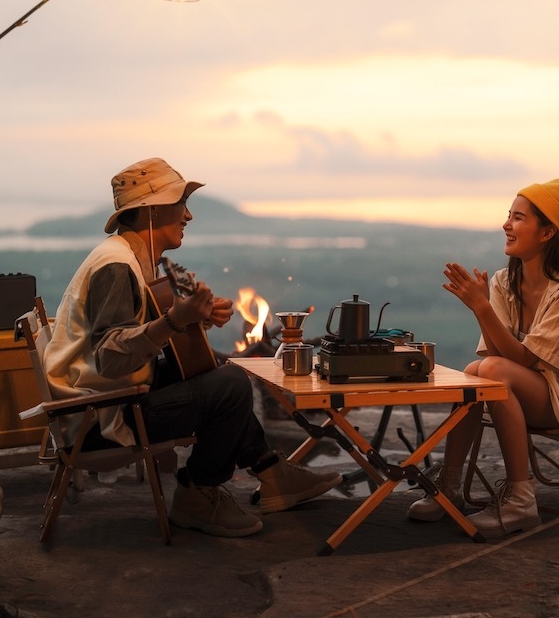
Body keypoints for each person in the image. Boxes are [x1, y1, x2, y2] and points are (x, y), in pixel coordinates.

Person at [42, 157, 341, 537]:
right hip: (98, 418)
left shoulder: (132, 258)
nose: (188, 215)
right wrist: (174, 320)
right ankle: (197, 493)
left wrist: (194, 318)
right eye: (179, 204)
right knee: (230, 384)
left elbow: (137, 340)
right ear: (150, 212)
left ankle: (271, 472)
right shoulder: (116, 266)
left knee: (215, 371)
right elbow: (109, 357)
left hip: (111, 402)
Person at [407, 178, 559, 537]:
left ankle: (521, 500)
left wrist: (481, 309)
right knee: (474, 371)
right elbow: (498, 357)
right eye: (508, 216)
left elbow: (526, 362)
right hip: (528, 391)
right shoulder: (502, 283)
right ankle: (448, 486)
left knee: (489, 370)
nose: (506, 225)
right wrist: (486, 306)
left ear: (546, 233)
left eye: (518, 218)